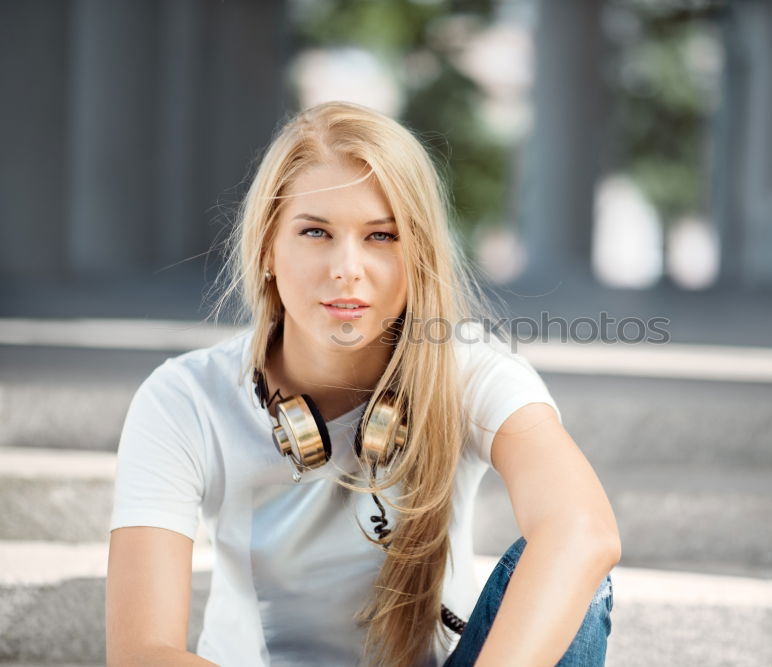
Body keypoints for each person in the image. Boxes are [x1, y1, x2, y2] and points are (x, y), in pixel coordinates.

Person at [105, 100, 620, 667]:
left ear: (417, 255)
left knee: (572, 578)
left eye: (381, 237)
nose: (346, 267)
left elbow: (583, 529)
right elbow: (141, 653)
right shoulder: (185, 398)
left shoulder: (468, 369)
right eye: (316, 231)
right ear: (268, 248)